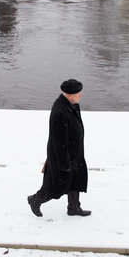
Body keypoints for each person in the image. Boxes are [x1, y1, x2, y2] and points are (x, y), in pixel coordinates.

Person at [27, 79, 91, 217]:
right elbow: (58, 142)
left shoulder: (71, 105)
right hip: (62, 158)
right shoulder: (59, 112)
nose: (80, 95)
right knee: (55, 187)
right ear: (68, 94)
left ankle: (74, 208)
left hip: (75, 154)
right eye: (77, 93)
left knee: (75, 181)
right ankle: (35, 200)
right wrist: (64, 165)